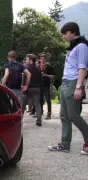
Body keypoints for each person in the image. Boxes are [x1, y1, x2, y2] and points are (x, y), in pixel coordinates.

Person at [48, 22, 88, 155]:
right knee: (64, 115)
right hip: (65, 83)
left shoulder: (82, 46)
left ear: (72, 32)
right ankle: (65, 145)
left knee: (73, 115)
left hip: (73, 83)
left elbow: (82, 67)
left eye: (65, 33)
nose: (64, 36)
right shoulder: (72, 47)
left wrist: (78, 87)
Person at [23, 54, 43, 126]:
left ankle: (20, 119)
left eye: (27, 59)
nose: (26, 60)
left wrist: (24, 90)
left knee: (23, 105)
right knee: (37, 104)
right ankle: (39, 120)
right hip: (37, 88)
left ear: (31, 60)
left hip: (28, 88)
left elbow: (24, 79)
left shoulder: (26, 68)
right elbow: (41, 80)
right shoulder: (38, 69)